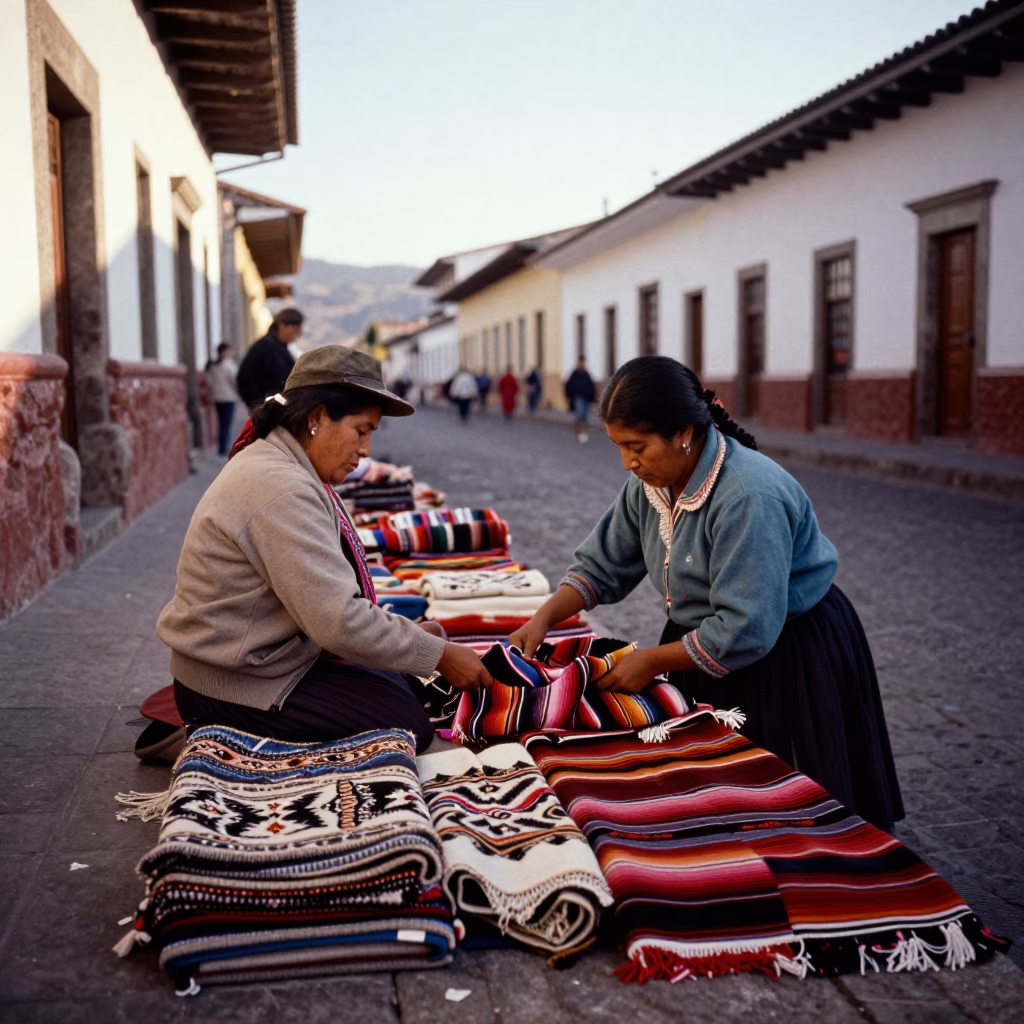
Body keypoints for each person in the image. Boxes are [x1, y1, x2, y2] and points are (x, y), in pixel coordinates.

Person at [509, 355, 903, 833]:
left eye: (636, 446)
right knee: (715, 793)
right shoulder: (649, 484)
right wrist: (544, 617)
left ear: (683, 432)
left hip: (787, 650)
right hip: (702, 645)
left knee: (783, 797)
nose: (627, 462)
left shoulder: (747, 496)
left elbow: (747, 627)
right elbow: (603, 562)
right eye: (618, 447)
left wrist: (651, 661)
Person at [158, 346, 493, 752]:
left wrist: (414, 647)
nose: (366, 450)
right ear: (317, 417)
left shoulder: (284, 465)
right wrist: (439, 655)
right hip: (234, 683)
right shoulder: (281, 486)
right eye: (362, 431)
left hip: (267, 661)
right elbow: (337, 621)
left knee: (400, 680)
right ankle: (215, 730)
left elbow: (328, 602)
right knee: (406, 726)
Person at [236, 308, 304, 410]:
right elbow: (244, 379)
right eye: (294, 330)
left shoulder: (281, 347)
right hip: (269, 411)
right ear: (282, 325)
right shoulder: (264, 347)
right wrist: (259, 407)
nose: (296, 334)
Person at [205, 342, 240, 458]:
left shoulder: (212, 366)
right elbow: (235, 380)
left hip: (217, 397)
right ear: (224, 352)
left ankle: (221, 447)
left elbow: (208, 382)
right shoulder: (228, 365)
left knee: (221, 423)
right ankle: (224, 449)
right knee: (226, 423)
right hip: (228, 397)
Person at [564, 356, 596, 442]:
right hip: (578, 398)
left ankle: (584, 433)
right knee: (579, 416)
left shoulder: (587, 374)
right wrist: (570, 396)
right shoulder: (574, 374)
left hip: (587, 398)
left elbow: (591, 386)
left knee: (585, 417)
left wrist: (593, 398)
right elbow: (569, 386)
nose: (581, 364)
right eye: (580, 362)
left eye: (583, 362)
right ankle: (578, 433)